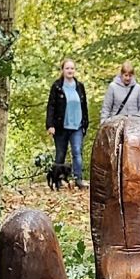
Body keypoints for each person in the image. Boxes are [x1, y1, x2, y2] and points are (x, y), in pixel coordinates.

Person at [45, 59, 88, 187]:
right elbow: (51, 106)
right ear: (62, 70)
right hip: (61, 126)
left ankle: (78, 179)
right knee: (60, 154)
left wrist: (85, 123)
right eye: (67, 68)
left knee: (77, 151)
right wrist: (50, 125)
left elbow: (84, 105)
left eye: (72, 68)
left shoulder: (80, 86)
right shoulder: (57, 86)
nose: (70, 71)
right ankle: (57, 181)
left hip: (77, 126)